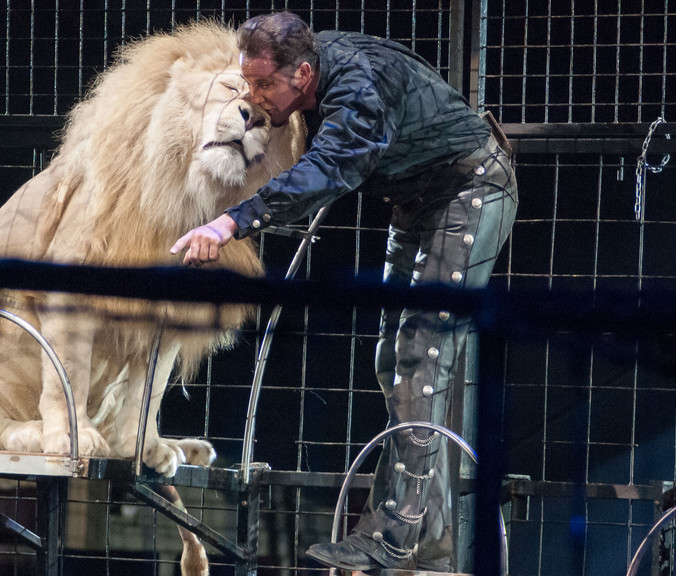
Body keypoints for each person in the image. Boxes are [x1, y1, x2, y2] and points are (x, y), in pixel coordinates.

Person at [170, 11, 517, 573]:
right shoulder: (313, 67)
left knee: (421, 353)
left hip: (471, 189)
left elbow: (331, 167)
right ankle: (430, 536)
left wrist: (231, 223)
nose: (256, 98)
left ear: (303, 74)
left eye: (264, 86)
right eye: (249, 82)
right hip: (418, 203)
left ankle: (398, 536)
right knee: (392, 360)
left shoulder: (356, 87)